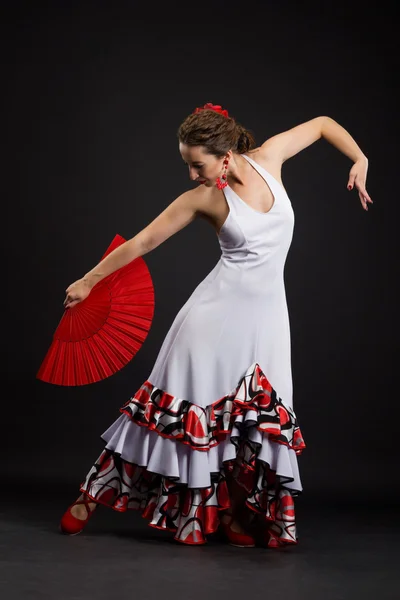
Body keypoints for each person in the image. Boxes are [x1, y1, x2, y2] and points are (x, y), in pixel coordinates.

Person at [59, 102, 372, 548]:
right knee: (176, 417)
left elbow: (323, 124)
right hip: (211, 322)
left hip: (267, 323)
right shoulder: (204, 198)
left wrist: (359, 158)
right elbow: (144, 240)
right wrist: (89, 280)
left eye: (196, 164)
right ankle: (89, 498)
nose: (191, 174)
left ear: (225, 155)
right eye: (187, 165)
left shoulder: (269, 158)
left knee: (245, 423)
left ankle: (228, 516)